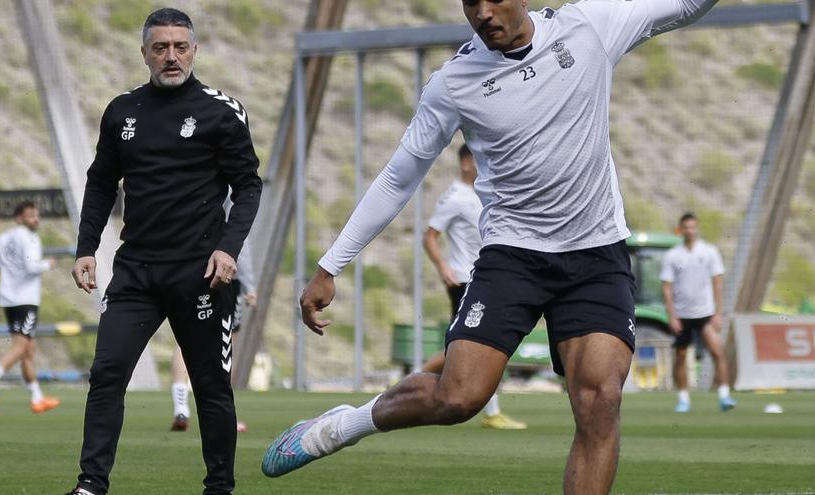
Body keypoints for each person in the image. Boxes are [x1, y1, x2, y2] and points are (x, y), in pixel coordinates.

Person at [263, 1, 717, 493]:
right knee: (458, 399)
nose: (481, 12)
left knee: (600, 400)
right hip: (513, 258)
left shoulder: (588, 27)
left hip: (596, 254)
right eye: (469, 2)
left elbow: (688, 5)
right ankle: (344, 426)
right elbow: (399, 176)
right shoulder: (454, 82)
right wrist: (331, 264)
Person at [66, 8, 261, 495]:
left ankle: (219, 487)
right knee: (107, 373)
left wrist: (228, 249)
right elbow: (100, 183)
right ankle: (91, 484)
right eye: (160, 47)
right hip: (136, 272)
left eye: (179, 47)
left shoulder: (222, 111)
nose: (170, 56)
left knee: (211, 386)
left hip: (201, 273)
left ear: (193, 50)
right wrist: (86, 248)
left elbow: (248, 187)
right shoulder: (122, 111)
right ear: (145, 53)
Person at [421, 143, 525, 430]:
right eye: (480, 159)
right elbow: (430, 236)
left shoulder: (485, 192)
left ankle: (491, 411)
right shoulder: (455, 197)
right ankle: (413, 382)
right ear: (467, 163)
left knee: (477, 343)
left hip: (485, 278)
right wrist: (443, 267)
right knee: (470, 344)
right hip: (465, 279)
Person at [170, 237, 256, 433]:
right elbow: (239, 239)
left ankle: (180, 405)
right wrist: (249, 285)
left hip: (189, 272)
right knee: (226, 343)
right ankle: (223, 414)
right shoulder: (233, 204)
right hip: (224, 276)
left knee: (185, 338)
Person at [0, 201, 59, 414]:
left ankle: (37, 398)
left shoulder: (6, 236)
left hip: (8, 297)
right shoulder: (30, 238)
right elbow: (30, 266)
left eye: (37, 215)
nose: (36, 219)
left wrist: (8, 269)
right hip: (25, 299)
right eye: (30, 216)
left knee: (28, 350)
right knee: (20, 346)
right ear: (19, 217)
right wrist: (48, 264)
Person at [660, 213, 736, 413]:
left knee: (717, 352)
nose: (690, 230)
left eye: (693, 227)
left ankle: (724, 396)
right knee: (680, 356)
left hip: (704, 314)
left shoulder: (709, 251)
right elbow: (666, 287)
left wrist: (718, 312)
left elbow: (717, 282)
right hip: (682, 314)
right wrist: (672, 315)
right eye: (686, 227)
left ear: (697, 228)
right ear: (680, 229)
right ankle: (683, 399)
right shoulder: (673, 255)